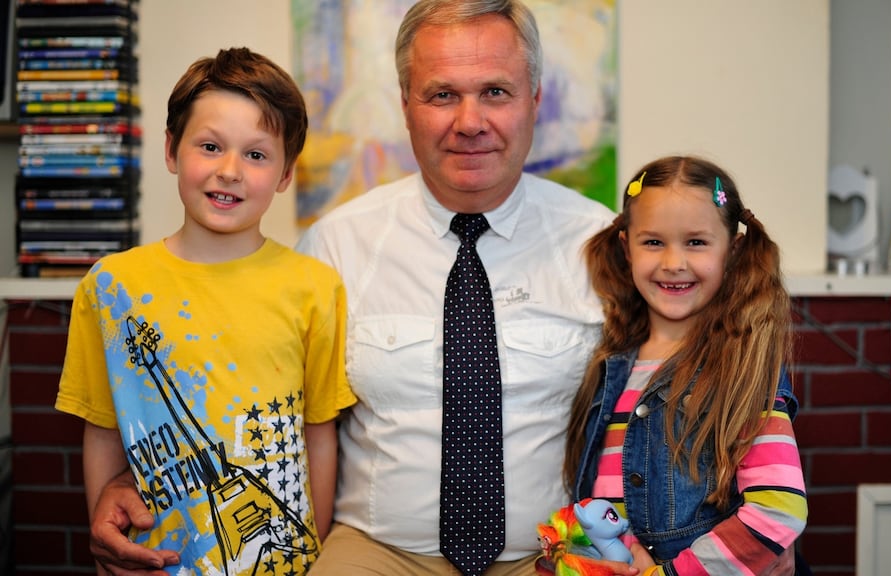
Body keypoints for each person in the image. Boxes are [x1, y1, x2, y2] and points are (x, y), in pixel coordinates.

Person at [86, 3, 800, 575]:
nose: (469, 121)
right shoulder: (334, 246)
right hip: (375, 551)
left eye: (495, 92)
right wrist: (126, 481)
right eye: (441, 95)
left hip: (554, 554)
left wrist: (750, 529)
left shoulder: (604, 247)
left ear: (534, 100)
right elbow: (249, 391)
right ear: (405, 103)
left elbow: (711, 368)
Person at [54, 47, 356, 576]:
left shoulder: (316, 287)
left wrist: (318, 551)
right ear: (172, 150)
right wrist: (108, 551)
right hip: (158, 560)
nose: (230, 171)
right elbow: (102, 428)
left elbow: (319, 430)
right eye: (210, 146)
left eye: (257, 155)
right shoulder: (110, 286)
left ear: (286, 174)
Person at [562, 156, 808, 575]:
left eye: (695, 242)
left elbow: (777, 511)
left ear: (733, 250)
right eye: (654, 242)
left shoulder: (742, 368)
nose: (674, 262)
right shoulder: (611, 364)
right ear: (626, 248)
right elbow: (598, 501)